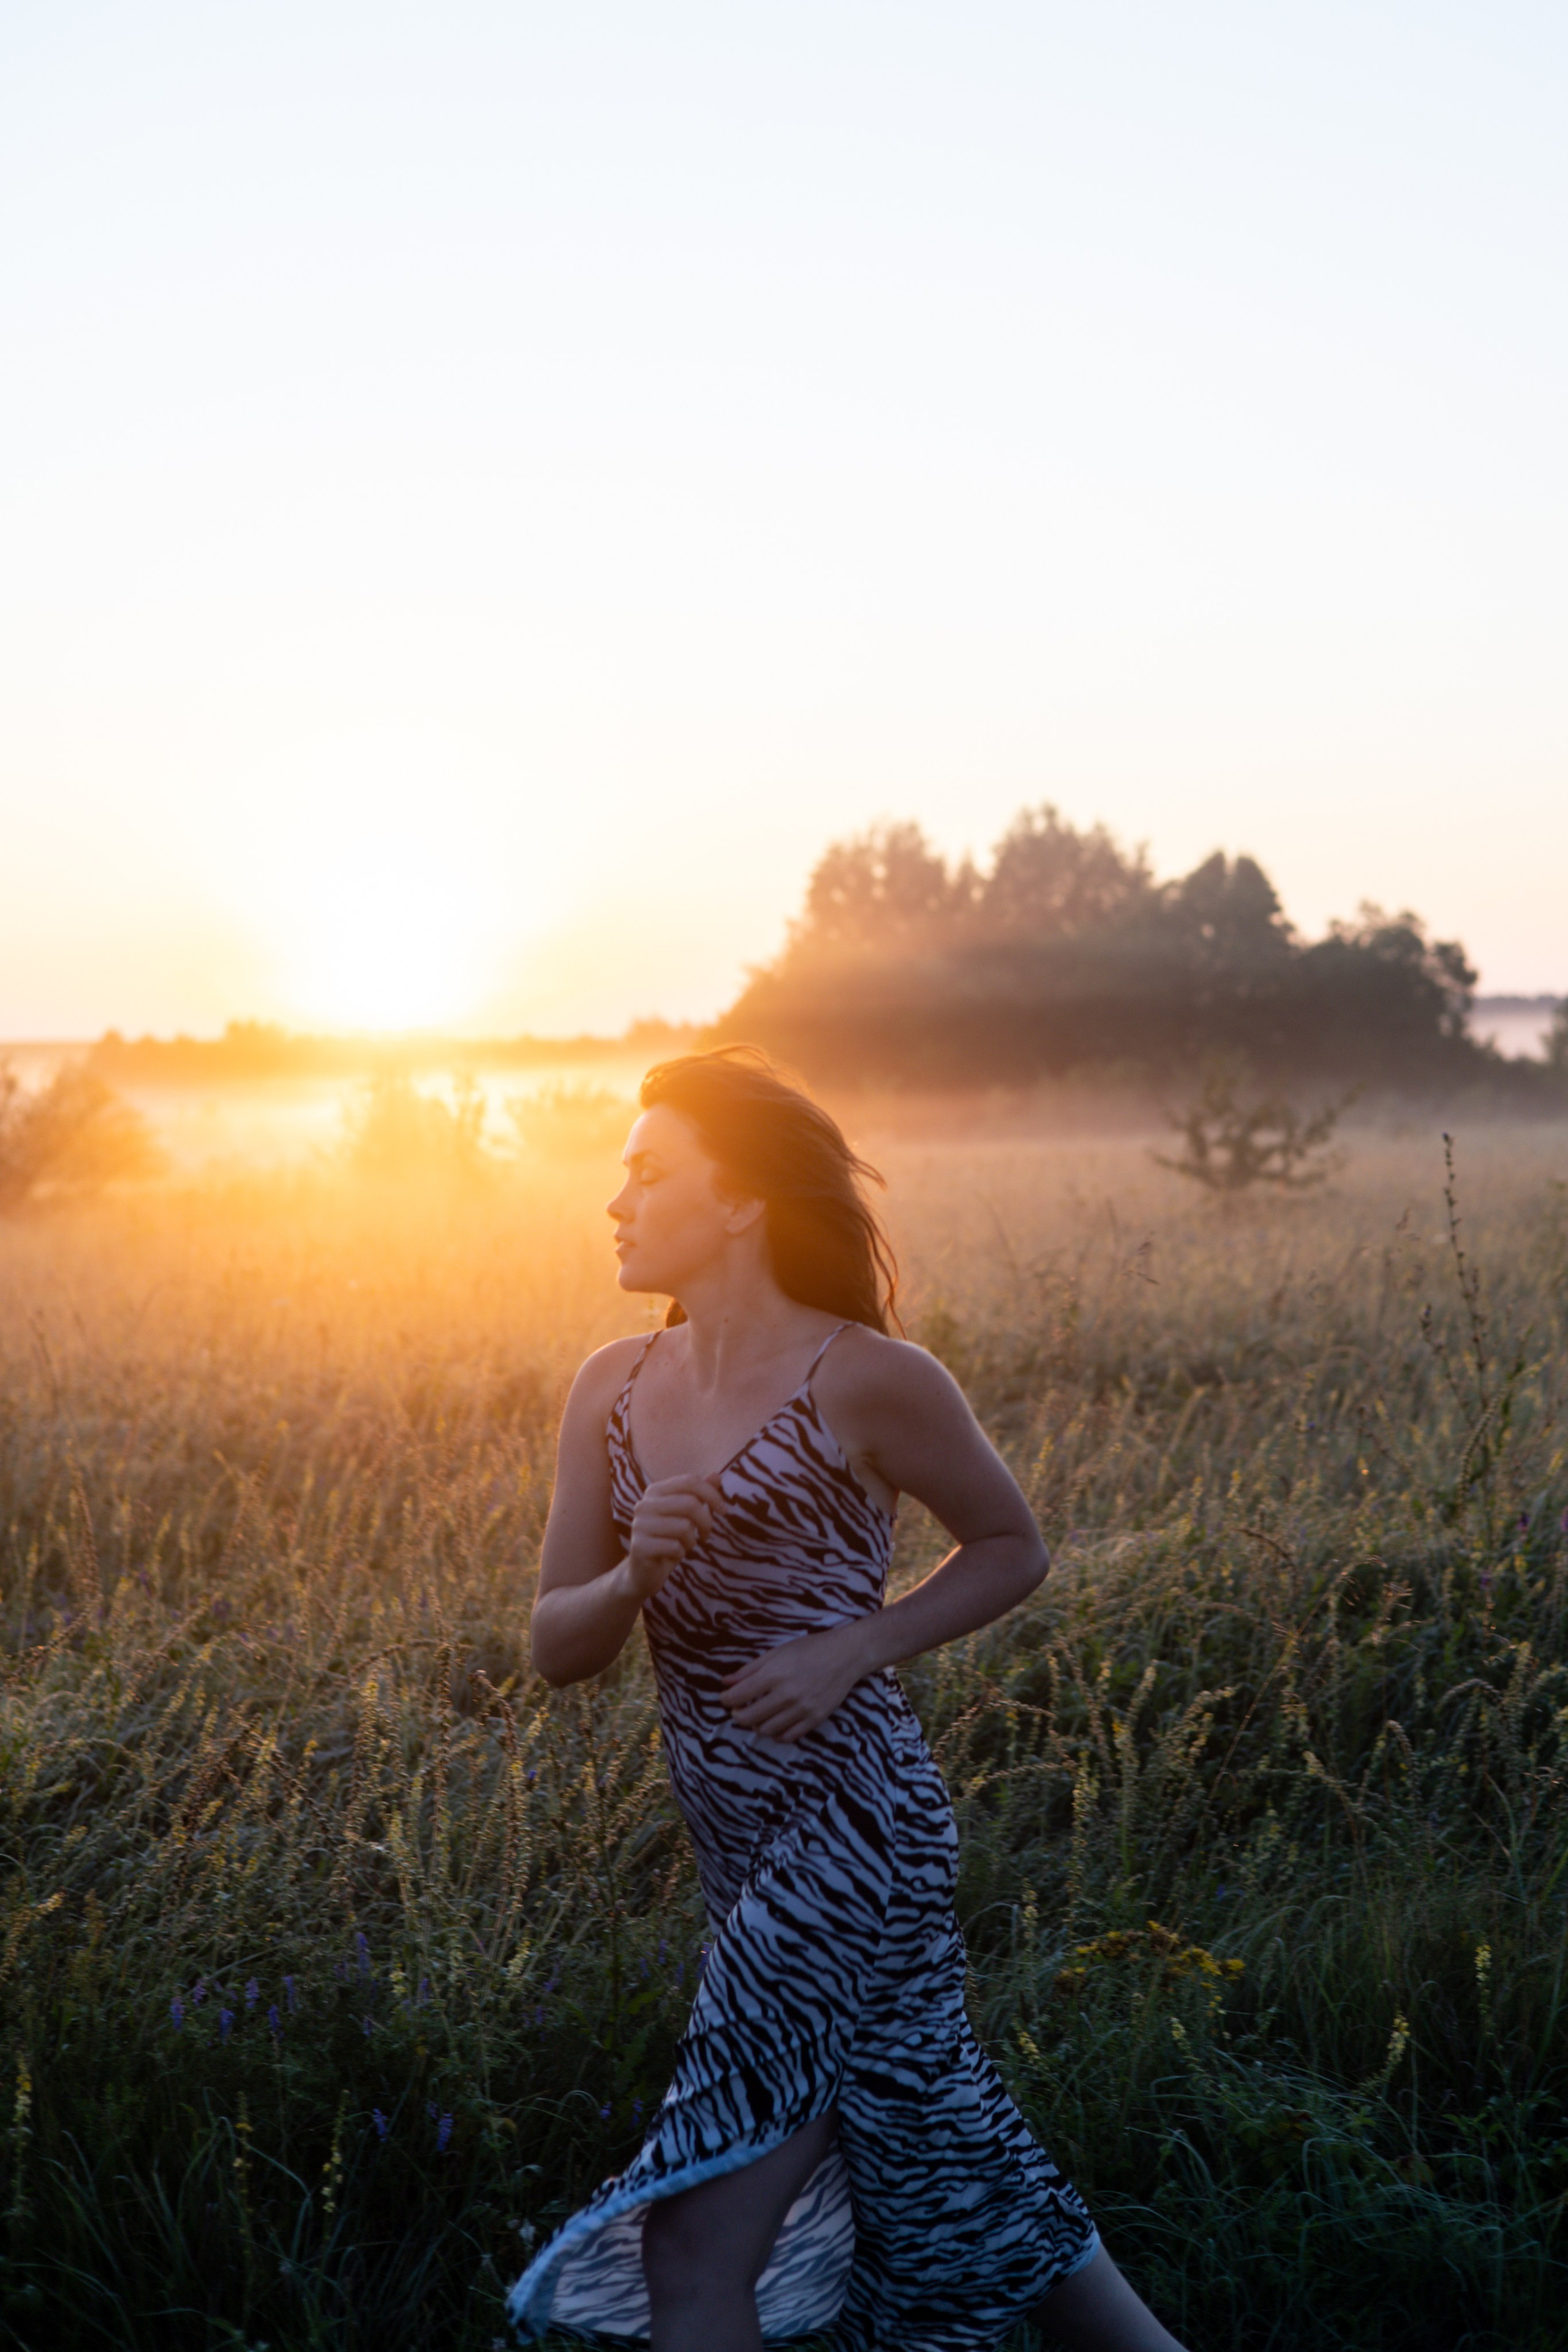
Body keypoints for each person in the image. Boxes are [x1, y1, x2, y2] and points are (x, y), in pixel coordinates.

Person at [510, 1047, 1187, 2352]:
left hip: (852, 1830)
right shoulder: (610, 1389)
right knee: (954, 2152)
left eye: (649, 1173)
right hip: (733, 1843)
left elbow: (1009, 1546)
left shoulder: (868, 1377)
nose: (615, 1201)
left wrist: (851, 1650)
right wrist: (634, 1574)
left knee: (691, 2241)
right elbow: (552, 1645)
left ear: (743, 1202)